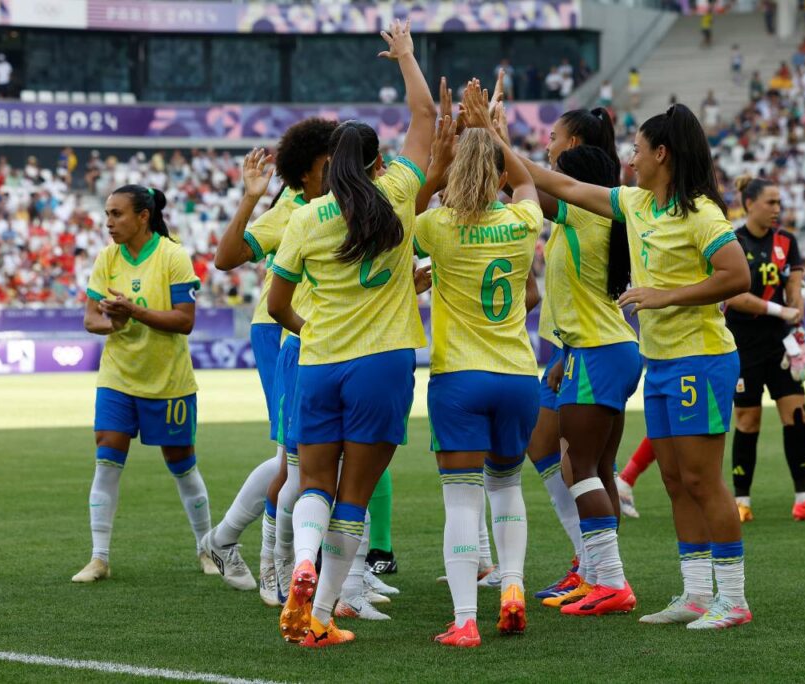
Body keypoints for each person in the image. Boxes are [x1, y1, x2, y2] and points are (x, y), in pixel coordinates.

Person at [511, 103, 755, 630]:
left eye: (638, 150)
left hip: (702, 358)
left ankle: (732, 599)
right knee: (672, 478)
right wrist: (492, 138)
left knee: (702, 479)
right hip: (661, 360)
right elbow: (564, 185)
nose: (631, 157)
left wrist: (666, 295)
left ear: (661, 155)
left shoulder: (702, 214)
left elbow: (737, 276)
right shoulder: (637, 204)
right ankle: (694, 593)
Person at [268, 19, 435, 648]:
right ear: (376, 162)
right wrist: (405, 57)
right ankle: (321, 614)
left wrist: (311, 331)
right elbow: (424, 116)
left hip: (321, 362)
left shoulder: (306, 218)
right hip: (383, 363)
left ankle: (301, 563)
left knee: (312, 482)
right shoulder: (396, 193)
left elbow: (279, 302)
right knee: (355, 495)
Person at [415, 105, 541, 646]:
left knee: (462, 500)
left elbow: (407, 216)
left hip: (460, 378)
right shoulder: (519, 223)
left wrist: (438, 165)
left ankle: (465, 619)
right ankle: (512, 586)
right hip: (517, 374)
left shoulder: (437, 228)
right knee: (507, 487)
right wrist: (490, 133)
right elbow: (529, 180)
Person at [203, 118, 336, 601]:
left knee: (298, 453)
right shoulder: (296, 209)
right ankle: (271, 567)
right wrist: (251, 197)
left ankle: (226, 541)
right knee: (294, 453)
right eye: (330, 162)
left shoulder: (341, 201)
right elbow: (227, 256)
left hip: (314, 334)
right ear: (305, 173)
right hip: (281, 328)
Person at [72, 185, 213, 583]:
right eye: (107, 214)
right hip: (117, 375)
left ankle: (207, 548)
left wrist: (132, 311)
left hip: (167, 380)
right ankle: (99, 557)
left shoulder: (173, 255)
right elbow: (91, 320)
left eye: (117, 214)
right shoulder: (106, 258)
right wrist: (114, 322)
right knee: (107, 452)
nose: (109, 222)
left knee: (181, 462)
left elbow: (184, 321)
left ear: (143, 216)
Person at [535, 136, 641, 616]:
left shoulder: (584, 212)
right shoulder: (595, 218)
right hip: (601, 348)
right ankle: (599, 577)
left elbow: (526, 180)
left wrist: (492, 136)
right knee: (596, 469)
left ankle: (612, 581)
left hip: (599, 352)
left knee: (578, 467)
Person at [723, 176, 805, 522]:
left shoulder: (786, 241)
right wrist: (780, 310)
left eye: (779, 203)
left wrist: (797, 315)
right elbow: (733, 295)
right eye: (770, 203)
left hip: (780, 344)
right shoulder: (733, 241)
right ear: (749, 204)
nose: (777, 209)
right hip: (743, 344)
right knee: (748, 420)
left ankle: (804, 498)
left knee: (797, 413)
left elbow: (794, 286)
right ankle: (741, 502)